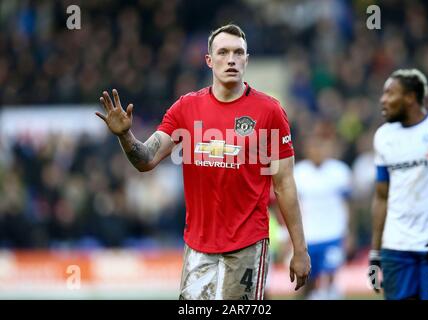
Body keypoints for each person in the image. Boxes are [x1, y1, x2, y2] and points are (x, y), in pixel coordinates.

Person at [95, 24, 311, 300]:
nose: (231, 59)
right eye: (222, 52)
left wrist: (300, 249)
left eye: (238, 53)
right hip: (198, 246)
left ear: (247, 59)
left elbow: (285, 186)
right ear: (209, 60)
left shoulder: (269, 112)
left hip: (248, 244)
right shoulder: (185, 108)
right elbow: (146, 159)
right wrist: (125, 136)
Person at [369, 69, 428, 300]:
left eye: (389, 93)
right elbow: (381, 196)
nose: (382, 100)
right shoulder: (383, 136)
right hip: (396, 249)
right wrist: (375, 253)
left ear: (411, 98)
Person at [293, 135, 355, 299]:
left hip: (333, 234)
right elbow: (291, 207)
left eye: (321, 147)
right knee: (307, 282)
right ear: (307, 151)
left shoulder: (339, 171)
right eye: (313, 148)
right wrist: (289, 235)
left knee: (330, 277)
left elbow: (349, 204)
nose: (317, 152)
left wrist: (349, 233)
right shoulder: (299, 173)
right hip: (308, 236)